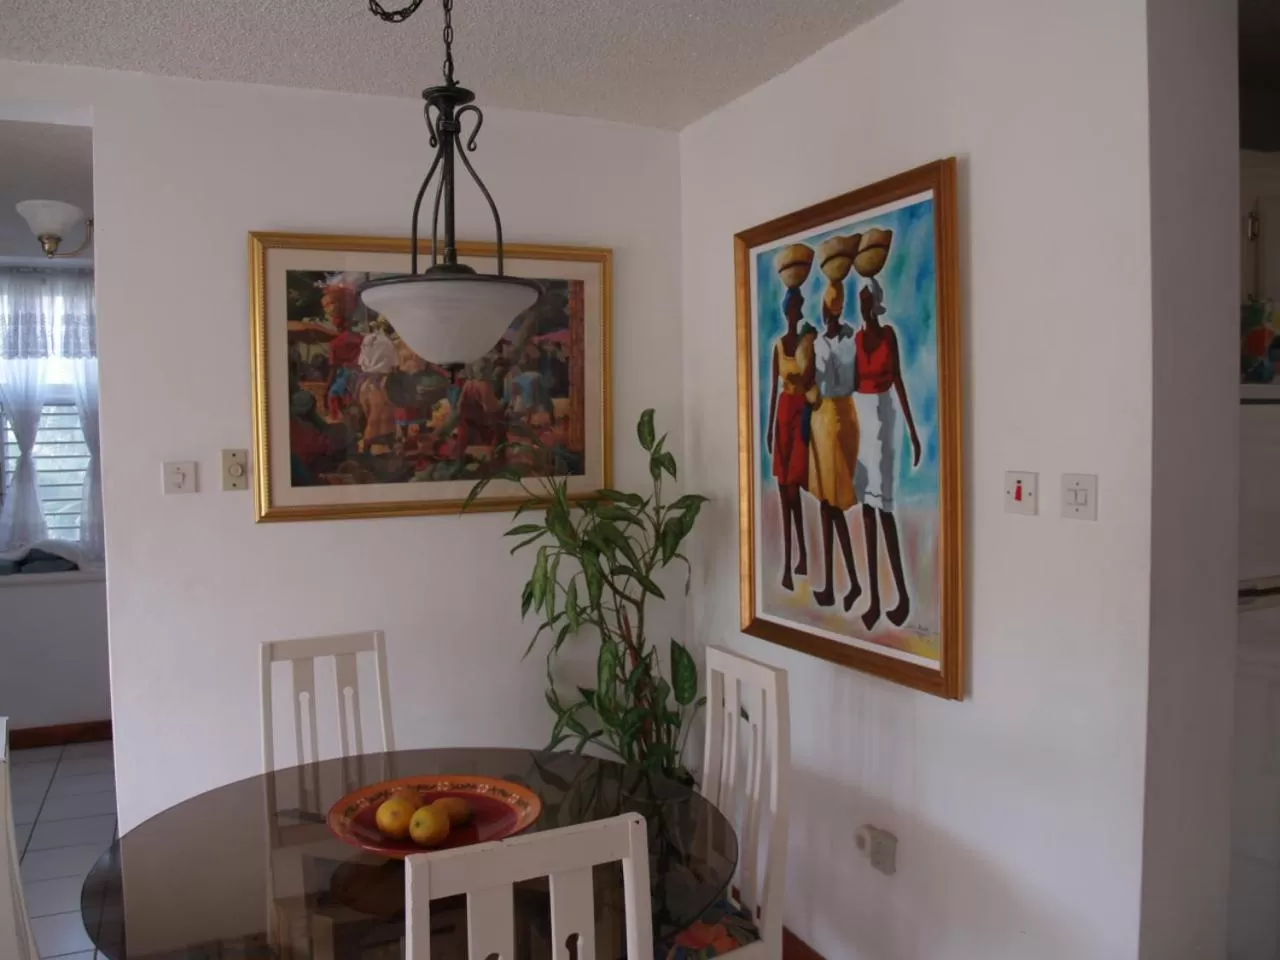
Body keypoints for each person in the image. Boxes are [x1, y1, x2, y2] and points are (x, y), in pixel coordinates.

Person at [853, 279, 922, 628]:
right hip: (861, 418)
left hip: (883, 419)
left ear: (875, 305)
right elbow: (848, 383)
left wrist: (912, 431)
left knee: (884, 508)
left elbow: (897, 380)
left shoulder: (888, 335)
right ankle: (875, 598)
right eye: (860, 301)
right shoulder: (857, 339)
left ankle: (902, 596)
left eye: (866, 301)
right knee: (866, 506)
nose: (862, 306)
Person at [808, 283, 862, 610]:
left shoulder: (848, 340)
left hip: (842, 417)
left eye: (837, 308)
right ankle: (832, 583)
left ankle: (851, 581)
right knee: (825, 505)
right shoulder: (817, 342)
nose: (833, 314)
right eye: (831, 309)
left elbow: (847, 380)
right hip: (822, 418)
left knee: (836, 503)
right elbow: (817, 382)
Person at [765, 287, 815, 592]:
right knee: (784, 491)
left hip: (801, 415)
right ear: (786, 312)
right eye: (792, 308)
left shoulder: (807, 344)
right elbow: (773, 389)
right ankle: (791, 559)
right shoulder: (778, 346)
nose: (795, 312)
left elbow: (813, 381)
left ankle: (801, 555)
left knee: (794, 489)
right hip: (783, 414)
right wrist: (769, 427)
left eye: (798, 307)